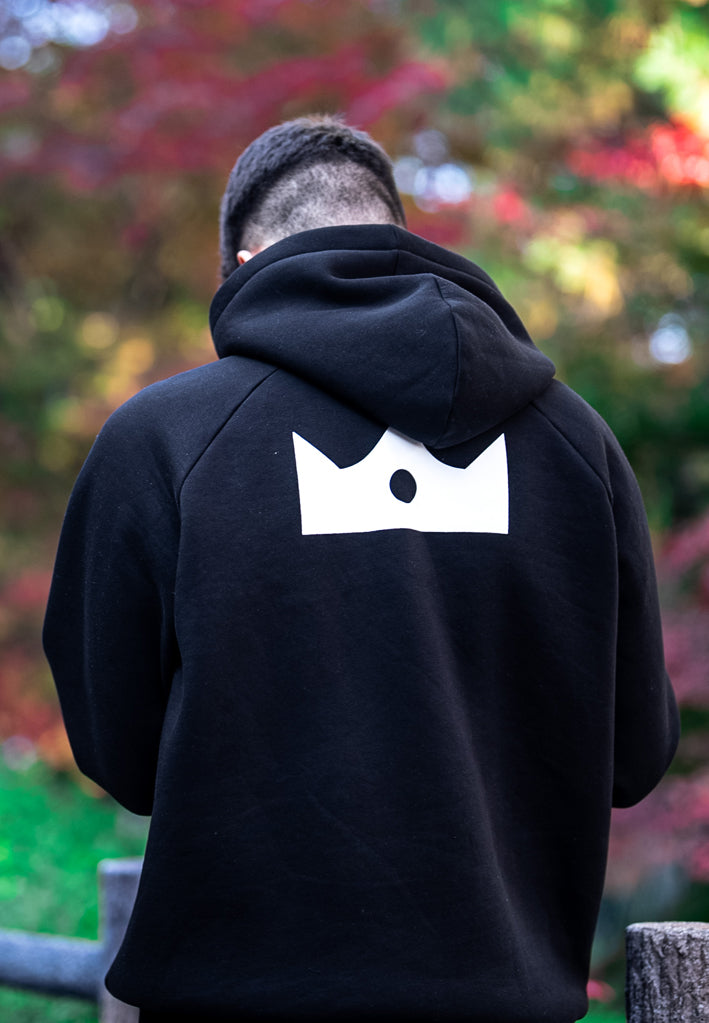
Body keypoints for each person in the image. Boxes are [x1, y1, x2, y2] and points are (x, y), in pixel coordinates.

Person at [43, 115, 679, 1023]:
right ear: (398, 244)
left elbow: (123, 757)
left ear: (244, 264)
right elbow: (634, 755)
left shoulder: (162, 439)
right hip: (503, 1003)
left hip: (236, 1001)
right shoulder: (578, 445)